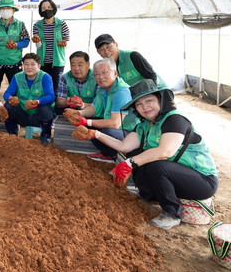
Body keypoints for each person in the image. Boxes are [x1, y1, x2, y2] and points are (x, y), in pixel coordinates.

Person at [75, 79, 218, 229]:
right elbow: (123, 146)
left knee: (154, 164)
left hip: (202, 181)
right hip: (177, 175)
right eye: (139, 104)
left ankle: (172, 214)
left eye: (149, 100)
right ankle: (149, 196)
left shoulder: (174, 120)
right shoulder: (144, 126)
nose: (145, 107)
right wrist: (95, 134)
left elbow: (165, 152)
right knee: (137, 154)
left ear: (160, 100)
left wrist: (129, 164)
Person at [63, 59, 133, 163]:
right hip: (117, 129)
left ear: (115, 73)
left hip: (130, 134)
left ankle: (113, 155)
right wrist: (78, 114)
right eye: (96, 74)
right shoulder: (103, 89)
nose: (100, 77)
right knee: (90, 125)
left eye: (104, 72)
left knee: (105, 131)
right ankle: (106, 153)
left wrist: (86, 121)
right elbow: (94, 108)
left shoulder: (121, 91)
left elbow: (115, 124)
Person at [3, 53, 55, 145]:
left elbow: (51, 96)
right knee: (7, 105)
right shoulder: (17, 77)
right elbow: (7, 93)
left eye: (32, 64)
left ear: (38, 66)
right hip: (22, 114)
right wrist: (10, 98)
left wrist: (38, 102)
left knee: (46, 108)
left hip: (38, 116)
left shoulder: (45, 77)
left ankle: (45, 134)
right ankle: (12, 132)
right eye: (26, 64)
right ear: (23, 66)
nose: (29, 67)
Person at [0, 0, 30, 95]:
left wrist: (16, 45)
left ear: (13, 10)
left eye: (8, 8)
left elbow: (26, 41)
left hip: (14, 63)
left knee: (17, 92)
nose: (5, 10)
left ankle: (14, 110)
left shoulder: (20, 24)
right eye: (2, 8)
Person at [94, 34, 167, 88]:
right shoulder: (106, 67)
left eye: (109, 47)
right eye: (102, 50)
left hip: (157, 91)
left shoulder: (133, 56)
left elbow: (152, 76)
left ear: (116, 44)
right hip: (136, 98)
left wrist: (153, 95)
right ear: (98, 52)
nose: (106, 52)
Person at [32, 0, 70, 93]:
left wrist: (64, 43)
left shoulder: (62, 24)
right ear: (40, 11)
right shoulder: (37, 25)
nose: (47, 10)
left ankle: (56, 106)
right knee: (43, 86)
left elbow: (66, 41)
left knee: (57, 86)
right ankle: (45, 106)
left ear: (54, 8)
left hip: (57, 62)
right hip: (43, 62)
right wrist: (37, 41)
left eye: (49, 7)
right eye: (44, 8)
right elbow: (39, 46)